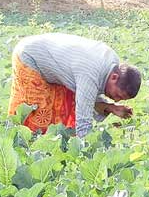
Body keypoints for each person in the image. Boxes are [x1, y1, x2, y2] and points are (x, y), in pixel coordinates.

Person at [8, 33, 141, 137]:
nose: (116, 99)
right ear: (114, 77)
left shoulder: (112, 63)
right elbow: (83, 122)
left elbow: (88, 95)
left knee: (62, 107)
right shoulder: (91, 72)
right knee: (37, 112)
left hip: (53, 62)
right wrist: (85, 153)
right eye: (118, 95)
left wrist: (110, 107)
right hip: (30, 56)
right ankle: (22, 143)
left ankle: (51, 145)